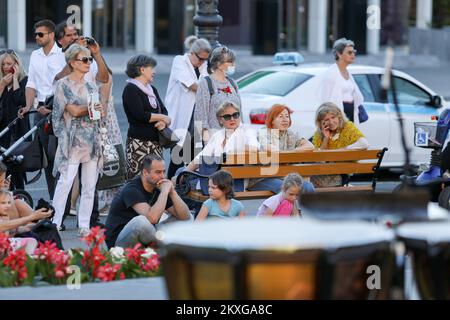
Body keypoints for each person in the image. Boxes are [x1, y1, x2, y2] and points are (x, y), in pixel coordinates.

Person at [51, 44, 104, 237]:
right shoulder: (63, 85)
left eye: (90, 59)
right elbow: (58, 114)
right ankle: (55, 222)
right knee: (65, 182)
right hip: (71, 140)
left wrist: (79, 110)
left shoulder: (91, 85)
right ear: (73, 62)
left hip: (91, 140)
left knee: (90, 185)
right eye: (85, 59)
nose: (88, 63)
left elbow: (97, 113)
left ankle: (84, 224)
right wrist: (63, 136)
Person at [18, 19, 67, 200]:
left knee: (60, 157)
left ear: (51, 35)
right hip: (40, 111)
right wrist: (28, 106)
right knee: (46, 158)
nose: (37, 37)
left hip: (60, 110)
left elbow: (66, 85)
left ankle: (65, 200)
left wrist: (54, 108)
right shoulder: (35, 55)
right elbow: (31, 83)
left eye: (41, 34)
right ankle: (56, 199)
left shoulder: (63, 56)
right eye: (36, 34)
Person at [105, 155, 191, 249]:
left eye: (164, 172)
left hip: (144, 237)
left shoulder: (158, 186)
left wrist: (172, 192)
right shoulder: (131, 189)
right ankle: (164, 249)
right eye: (158, 172)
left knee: (188, 217)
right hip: (119, 242)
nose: (162, 176)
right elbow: (152, 218)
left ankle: (162, 247)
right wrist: (165, 192)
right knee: (141, 222)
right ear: (145, 172)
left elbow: (185, 217)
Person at [166, 36, 211, 179]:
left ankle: (188, 195)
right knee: (178, 158)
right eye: (200, 58)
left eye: (205, 59)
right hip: (182, 118)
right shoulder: (179, 61)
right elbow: (191, 85)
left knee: (194, 160)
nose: (203, 62)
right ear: (192, 52)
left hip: (197, 120)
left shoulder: (203, 66)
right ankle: (169, 193)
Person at [123, 55, 170, 180]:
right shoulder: (131, 89)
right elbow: (140, 115)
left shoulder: (152, 89)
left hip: (155, 144)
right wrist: (161, 118)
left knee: (157, 178)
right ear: (142, 69)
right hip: (138, 144)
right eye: (151, 68)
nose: (154, 71)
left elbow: (163, 110)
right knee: (138, 179)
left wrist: (163, 122)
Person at [256, 104, 315, 193]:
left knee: (308, 187)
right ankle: (289, 208)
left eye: (287, 116)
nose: (285, 119)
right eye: (280, 117)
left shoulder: (289, 134)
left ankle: (304, 207)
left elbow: (310, 146)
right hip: (262, 178)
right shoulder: (264, 133)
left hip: (283, 177)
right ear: (272, 120)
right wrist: (288, 155)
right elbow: (269, 148)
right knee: (287, 189)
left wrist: (294, 151)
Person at [311, 102, 369, 187]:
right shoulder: (319, 134)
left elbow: (364, 144)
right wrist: (326, 138)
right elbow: (320, 160)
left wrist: (343, 149)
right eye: (326, 120)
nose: (331, 122)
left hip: (341, 173)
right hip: (323, 172)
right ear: (321, 122)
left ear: (339, 116)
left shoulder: (347, 127)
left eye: (333, 117)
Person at [194, 46, 241, 145]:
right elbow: (200, 116)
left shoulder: (232, 83)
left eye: (233, 61)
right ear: (219, 64)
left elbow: (239, 112)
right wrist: (208, 142)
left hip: (235, 140)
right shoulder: (206, 83)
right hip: (215, 140)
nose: (233, 64)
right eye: (229, 61)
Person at [0, 49, 29, 190]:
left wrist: (15, 79)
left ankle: (20, 195)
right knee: (3, 167)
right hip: (3, 130)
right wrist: (2, 85)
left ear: (16, 65)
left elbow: (20, 101)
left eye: (9, 64)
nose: (6, 67)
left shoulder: (24, 80)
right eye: (3, 64)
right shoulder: (1, 82)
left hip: (18, 130)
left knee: (16, 168)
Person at [319, 38, 365, 125]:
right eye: (349, 52)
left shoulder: (348, 72)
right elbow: (325, 100)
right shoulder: (331, 73)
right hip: (337, 114)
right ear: (339, 54)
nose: (353, 55)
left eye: (354, 52)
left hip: (351, 112)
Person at [0, 189, 47, 255]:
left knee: (33, 241)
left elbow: (11, 231)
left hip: (6, 244)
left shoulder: (5, 215)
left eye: (9, 202)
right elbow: (3, 226)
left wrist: (28, 227)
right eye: (3, 203)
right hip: (4, 247)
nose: (7, 206)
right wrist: (32, 217)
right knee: (31, 242)